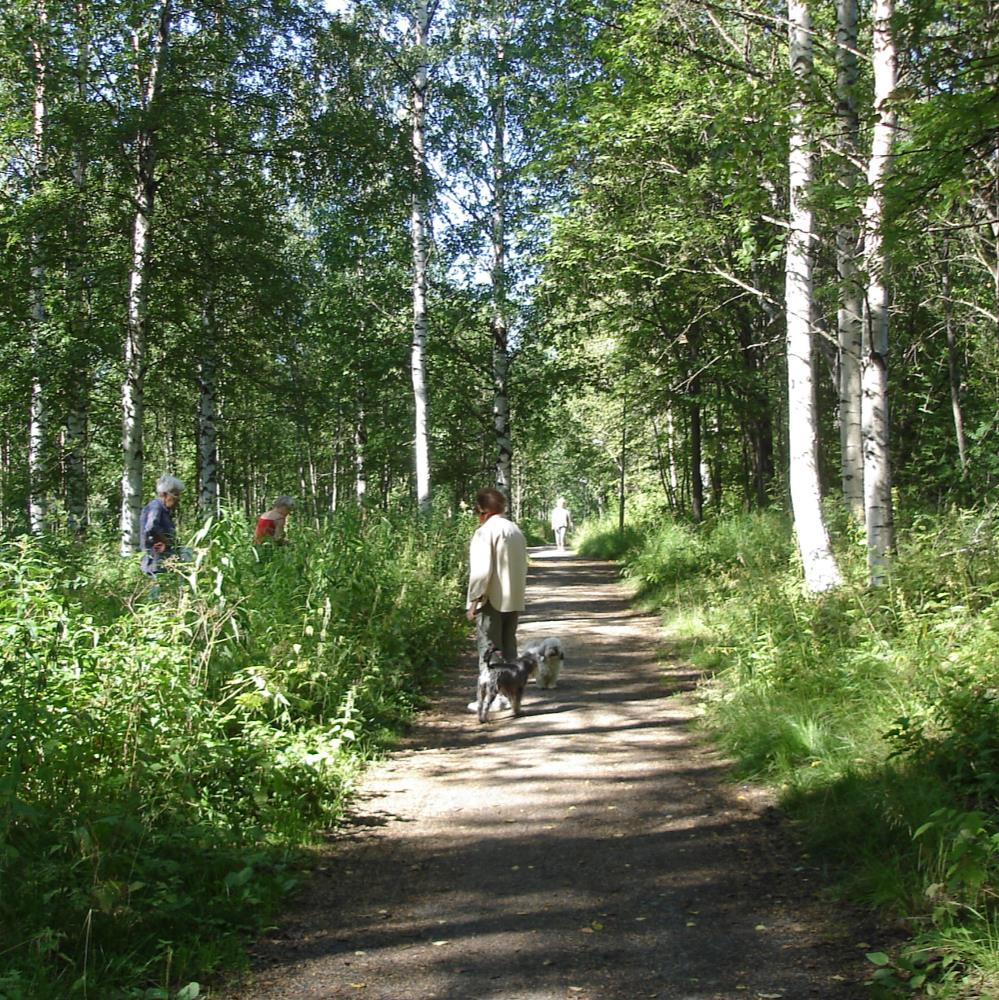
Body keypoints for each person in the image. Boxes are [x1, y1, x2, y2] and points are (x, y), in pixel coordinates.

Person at [465, 487, 528, 709]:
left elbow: (482, 571)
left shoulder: (485, 532)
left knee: (489, 649)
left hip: (491, 599)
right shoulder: (515, 529)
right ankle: (511, 695)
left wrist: (474, 602)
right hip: (513, 599)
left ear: (482, 509)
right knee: (509, 648)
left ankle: (490, 697)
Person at [140, 474, 185, 577]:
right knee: (157, 590)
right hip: (156, 564)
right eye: (175, 495)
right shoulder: (156, 507)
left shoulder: (164, 511)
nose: (178, 499)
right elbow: (151, 527)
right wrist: (165, 541)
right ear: (165, 495)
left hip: (164, 563)